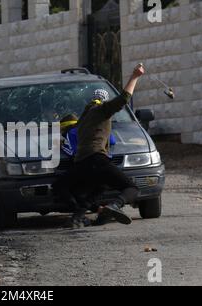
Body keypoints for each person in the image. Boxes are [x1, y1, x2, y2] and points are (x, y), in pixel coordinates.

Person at [53, 63, 145, 228]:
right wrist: (135, 76)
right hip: (97, 160)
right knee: (132, 188)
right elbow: (123, 98)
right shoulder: (100, 111)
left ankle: (79, 216)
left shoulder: (82, 120)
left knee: (87, 189)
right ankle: (115, 205)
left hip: (81, 164)